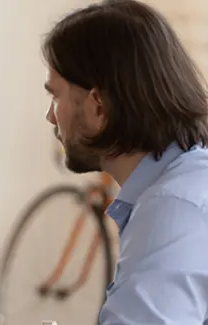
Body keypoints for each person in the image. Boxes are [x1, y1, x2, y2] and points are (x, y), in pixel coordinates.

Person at [42, 0, 208, 324]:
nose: (50, 116)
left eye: (56, 96)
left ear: (98, 106)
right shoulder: (184, 183)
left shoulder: (171, 207)